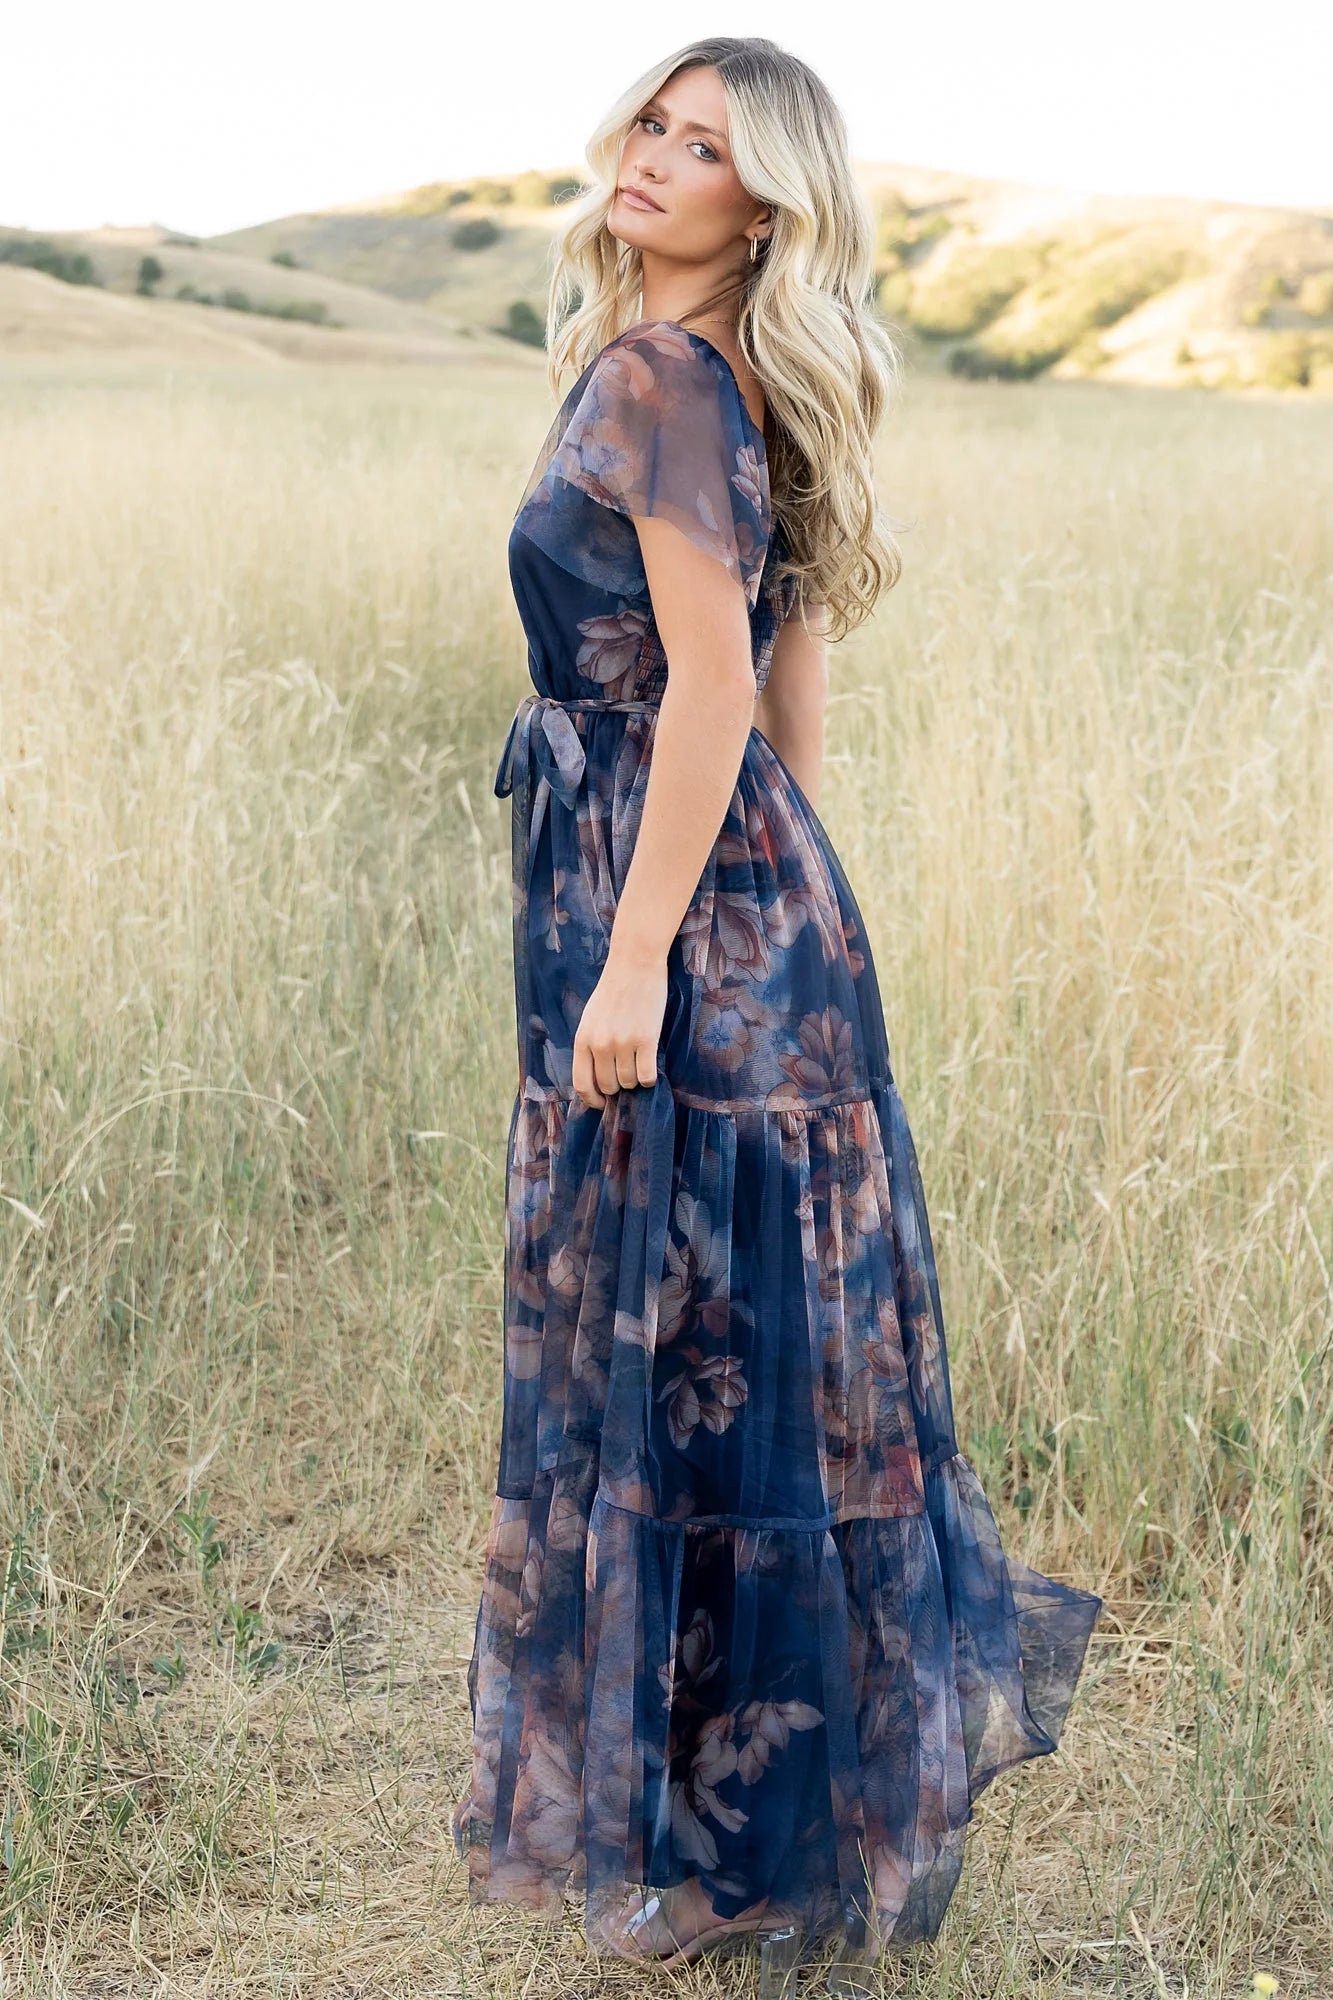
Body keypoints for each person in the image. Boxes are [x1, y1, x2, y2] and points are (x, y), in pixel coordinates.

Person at [450, 35, 1103, 1995]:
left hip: (670, 907)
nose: (657, 158)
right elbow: (787, 709)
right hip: (753, 909)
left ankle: (731, 1862)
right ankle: (758, 1836)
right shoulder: (731, 377)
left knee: (693, 1362)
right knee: (749, 1364)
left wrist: (644, 955)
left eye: (708, 145)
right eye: (654, 123)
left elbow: (720, 691)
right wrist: (778, 927)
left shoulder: (661, 377)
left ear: (768, 207)